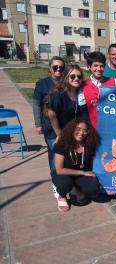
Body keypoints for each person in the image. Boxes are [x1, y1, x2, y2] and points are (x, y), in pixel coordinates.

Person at [32, 56, 65, 199]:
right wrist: (38, 124)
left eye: (61, 67)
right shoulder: (42, 84)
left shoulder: (67, 83)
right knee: (54, 155)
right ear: (50, 68)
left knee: (66, 156)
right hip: (49, 127)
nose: (58, 69)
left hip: (65, 126)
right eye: (55, 67)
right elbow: (36, 104)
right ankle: (56, 183)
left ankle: (66, 181)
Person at [53, 118, 101, 212]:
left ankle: (78, 189)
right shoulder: (62, 143)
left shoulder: (89, 144)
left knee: (93, 187)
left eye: (85, 130)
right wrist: (82, 173)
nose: (81, 133)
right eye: (78, 129)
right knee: (65, 183)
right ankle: (61, 196)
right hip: (64, 174)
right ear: (71, 129)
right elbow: (59, 170)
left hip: (80, 174)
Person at [45, 64, 88, 143]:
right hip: (58, 133)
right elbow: (52, 114)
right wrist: (59, 134)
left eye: (79, 77)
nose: (76, 79)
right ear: (66, 77)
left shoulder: (81, 93)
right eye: (72, 76)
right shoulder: (59, 94)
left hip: (75, 134)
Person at [81, 51, 116, 128]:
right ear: (89, 66)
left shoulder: (113, 81)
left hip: (110, 126)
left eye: (101, 66)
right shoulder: (83, 85)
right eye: (95, 66)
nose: (99, 69)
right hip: (92, 128)